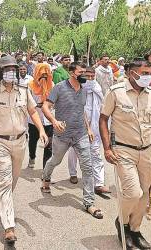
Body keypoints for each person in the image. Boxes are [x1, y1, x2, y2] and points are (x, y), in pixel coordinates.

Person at [99, 59, 151, 249]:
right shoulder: (116, 92)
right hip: (123, 150)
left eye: (150, 72)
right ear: (131, 72)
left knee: (144, 195)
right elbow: (103, 119)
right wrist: (107, 148)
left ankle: (135, 230)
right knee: (132, 192)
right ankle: (121, 223)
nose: (148, 76)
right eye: (144, 72)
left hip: (147, 151)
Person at [0, 55, 48, 243]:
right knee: (6, 181)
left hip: (19, 142)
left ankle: (3, 204)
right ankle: (9, 227)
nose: (11, 73)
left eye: (13, 70)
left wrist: (41, 129)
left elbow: (32, 111)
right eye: (7, 70)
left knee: (13, 180)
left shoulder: (24, 91)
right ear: (0, 72)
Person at [40, 62, 103, 219]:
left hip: (80, 134)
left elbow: (81, 111)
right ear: (71, 73)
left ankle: (89, 203)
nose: (85, 76)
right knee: (55, 160)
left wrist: (88, 128)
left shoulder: (83, 90)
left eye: (87, 74)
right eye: (82, 73)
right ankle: (46, 177)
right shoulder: (60, 88)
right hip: (62, 135)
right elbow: (45, 107)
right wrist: (54, 121)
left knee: (87, 167)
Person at [67, 67, 109, 194]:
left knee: (96, 153)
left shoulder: (97, 88)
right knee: (74, 151)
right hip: (78, 126)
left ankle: (99, 183)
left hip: (95, 127)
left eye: (92, 76)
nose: (90, 79)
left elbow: (103, 107)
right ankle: (73, 173)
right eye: (87, 76)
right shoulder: (76, 89)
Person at [27, 63, 54, 169]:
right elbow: (28, 102)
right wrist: (38, 105)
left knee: (49, 144)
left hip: (48, 119)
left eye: (46, 75)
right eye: (41, 74)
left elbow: (55, 100)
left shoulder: (52, 85)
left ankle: (46, 169)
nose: (44, 77)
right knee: (33, 141)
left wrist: (48, 105)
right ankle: (32, 157)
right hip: (34, 119)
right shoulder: (30, 86)